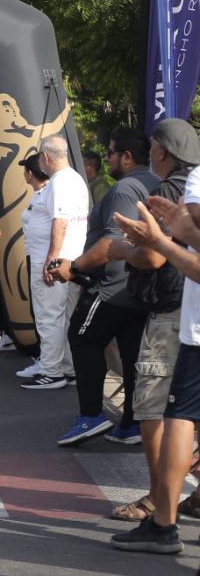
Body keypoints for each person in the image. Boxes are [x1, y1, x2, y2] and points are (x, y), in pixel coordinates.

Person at [105, 118, 199, 535]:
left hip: (174, 313)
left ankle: (160, 505)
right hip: (185, 309)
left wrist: (123, 247)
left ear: (159, 151)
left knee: (158, 410)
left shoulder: (168, 192)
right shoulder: (184, 188)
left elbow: (156, 258)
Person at [47, 129, 157, 445]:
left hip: (112, 285)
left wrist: (75, 266)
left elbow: (111, 242)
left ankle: (91, 415)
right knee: (132, 352)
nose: (106, 158)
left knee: (81, 336)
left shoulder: (124, 188)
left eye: (110, 152)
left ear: (126, 156)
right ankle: (132, 424)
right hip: (138, 287)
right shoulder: (151, 183)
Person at [25, 134, 90, 390]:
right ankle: (65, 367)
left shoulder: (60, 182)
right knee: (65, 317)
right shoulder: (75, 179)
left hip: (56, 260)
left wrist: (50, 260)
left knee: (49, 316)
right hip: (73, 259)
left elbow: (60, 222)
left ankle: (52, 371)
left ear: (45, 157)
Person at [14, 154, 52, 379]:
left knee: (46, 314)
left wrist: (50, 258)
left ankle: (49, 363)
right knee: (38, 312)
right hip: (34, 257)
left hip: (43, 260)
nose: (24, 174)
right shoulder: (38, 194)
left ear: (30, 172)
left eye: (25, 170)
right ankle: (46, 359)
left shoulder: (48, 193)